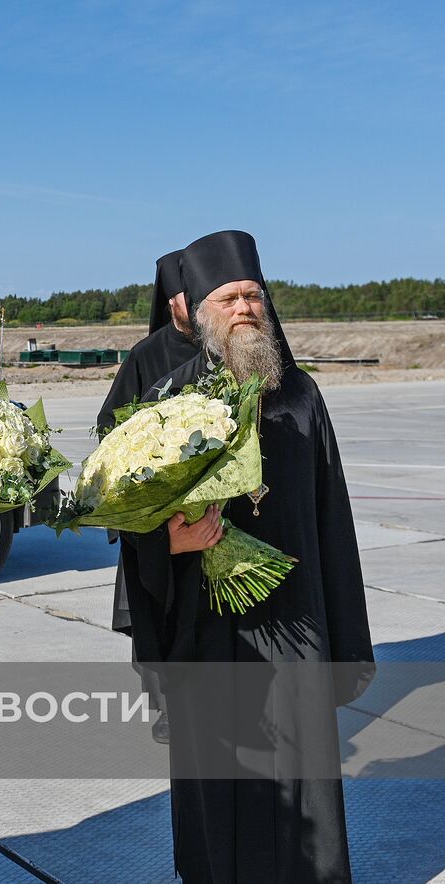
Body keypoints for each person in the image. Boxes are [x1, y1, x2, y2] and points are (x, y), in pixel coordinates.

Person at [122, 230, 374, 883]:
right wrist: (169, 541)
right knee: (219, 793)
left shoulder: (302, 398)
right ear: (200, 310)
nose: (244, 308)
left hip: (296, 629)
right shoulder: (169, 401)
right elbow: (136, 526)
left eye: (253, 296)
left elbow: (333, 521)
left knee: (305, 781)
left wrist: (344, 638)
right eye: (229, 297)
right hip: (207, 632)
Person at [99, 249, 202, 741]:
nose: (193, 301)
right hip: (159, 524)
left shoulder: (229, 348)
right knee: (160, 617)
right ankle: (168, 708)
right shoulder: (147, 355)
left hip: (213, 521)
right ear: (169, 300)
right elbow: (108, 426)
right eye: (184, 294)